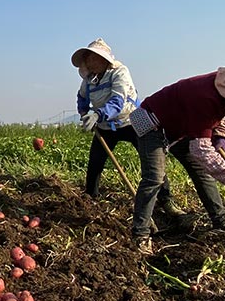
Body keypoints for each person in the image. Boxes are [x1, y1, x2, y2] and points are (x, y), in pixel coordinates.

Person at [129, 56, 225, 254]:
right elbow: (201, 149)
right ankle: (140, 234)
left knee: (201, 172)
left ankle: (221, 221)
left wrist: (220, 136)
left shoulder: (220, 90)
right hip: (151, 123)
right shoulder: (205, 96)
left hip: (179, 127)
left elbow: (217, 114)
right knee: (154, 178)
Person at [71, 38, 185, 217]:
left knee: (152, 161)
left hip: (132, 121)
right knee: (95, 162)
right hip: (106, 125)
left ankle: (166, 200)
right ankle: (90, 199)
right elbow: (82, 97)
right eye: (88, 58)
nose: (89, 62)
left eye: (93, 58)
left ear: (104, 59)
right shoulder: (89, 80)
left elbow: (118, 101)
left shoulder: (120, 72)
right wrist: (84, 112)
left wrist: (98, 114)